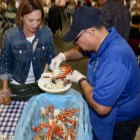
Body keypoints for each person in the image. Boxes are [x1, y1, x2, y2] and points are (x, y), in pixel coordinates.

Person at [50, 6, 140, 140]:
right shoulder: (104, 38)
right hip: (109, 106)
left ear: (90, 32)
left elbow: (101, 107)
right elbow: (82, 50)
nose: (76, 43)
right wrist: (63, 56)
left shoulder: (115, 60)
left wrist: (80, 79)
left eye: (76, 39)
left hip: (120, 123)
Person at [0, 0, 55, 102]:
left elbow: (52, 60)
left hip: (40, 85)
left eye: (38, 20)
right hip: (17, 87)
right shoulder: (10, 36)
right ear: (21, 17)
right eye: (30, 20)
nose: (35, 24)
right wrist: (5, 87)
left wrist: (56, 77)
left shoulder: (46, 33)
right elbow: (5, 63)